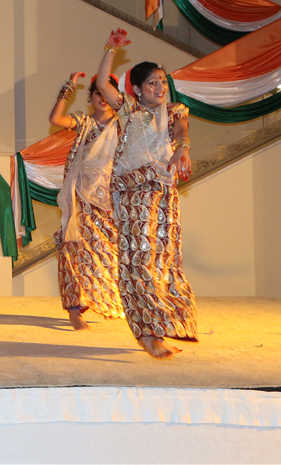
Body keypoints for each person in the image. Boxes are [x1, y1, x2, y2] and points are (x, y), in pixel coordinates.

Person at [96, 29, 197, 359]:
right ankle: (148, 332)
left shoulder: (176, 110)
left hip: (164, 194)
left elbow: (181, 129)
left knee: (163, 259)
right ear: (137, 89)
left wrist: (183, 148)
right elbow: (102, 83)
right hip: (133, 192)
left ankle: (161, 327)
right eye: (152, 83)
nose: (160, 88)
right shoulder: (129, 110)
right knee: (138, 259)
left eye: (162, 82)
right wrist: (110, 49)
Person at [48, 72, 125, 331]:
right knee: (72, 251)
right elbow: (55, 119)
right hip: (81, 198)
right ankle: (74, 310)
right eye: (97, 93)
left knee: (111, 254)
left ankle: (111, 300)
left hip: (112, 200)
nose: (102, 98)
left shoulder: (124, 125)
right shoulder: (84, 122)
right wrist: (68, 87)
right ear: (90, 98)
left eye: (106, 93)